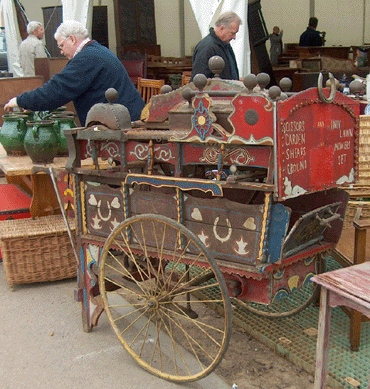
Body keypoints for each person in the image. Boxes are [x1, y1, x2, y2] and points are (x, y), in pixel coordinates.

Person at [5, 20, 145, 126]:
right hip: (127, 119)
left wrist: (19, 100)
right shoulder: (97, 50)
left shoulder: (87, 58)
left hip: (124, 126)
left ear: (72, 39)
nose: (61, 51)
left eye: (61, 45)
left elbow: (56, 91)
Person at [191, 11, 241, 80]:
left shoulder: (225, 45)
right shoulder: (206, 48)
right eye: (232, 33)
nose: (234, 37)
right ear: (221, 28)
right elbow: (199, 80)